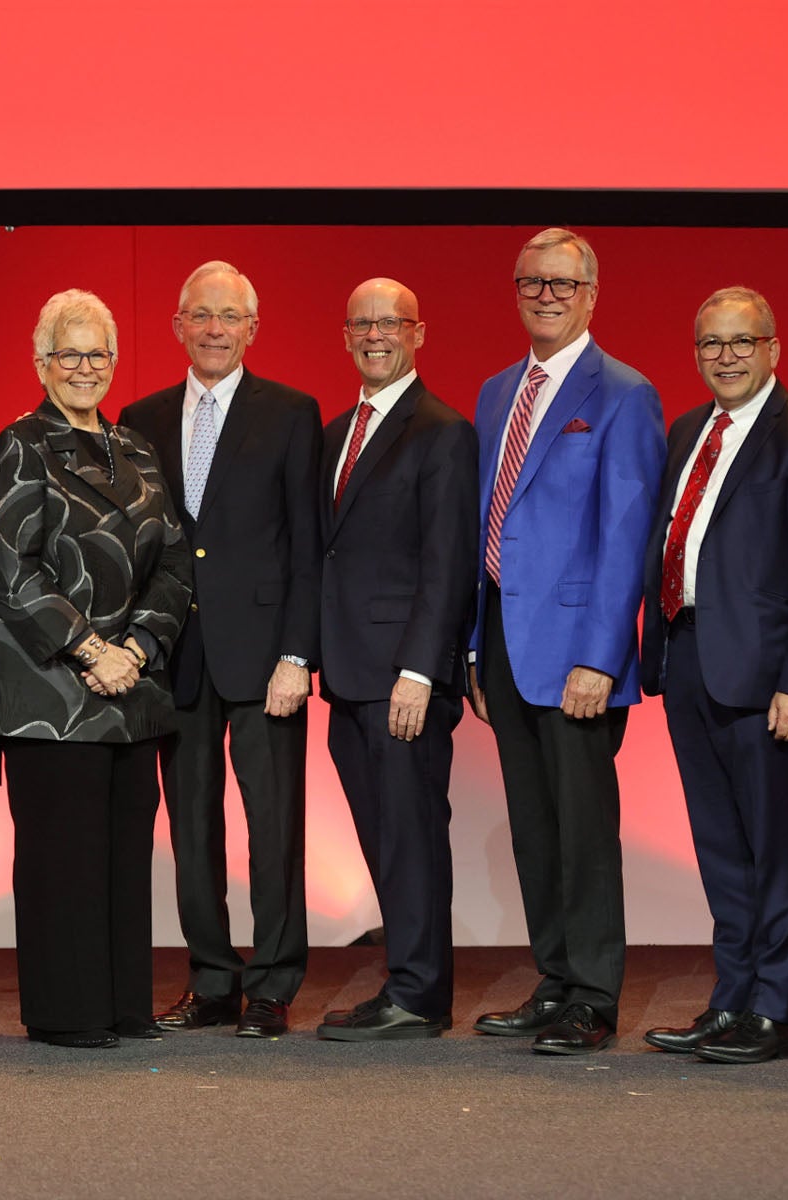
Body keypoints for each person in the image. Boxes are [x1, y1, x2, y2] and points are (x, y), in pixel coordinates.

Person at [638, 288, 788, 1065]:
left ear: (773, 349)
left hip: (765, 677)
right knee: (720, 846)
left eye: (741, 342)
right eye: (711, 344)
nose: (725, 357)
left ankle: (773, 1010)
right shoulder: (687, 431)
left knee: (775, 846)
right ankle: (730, 1000)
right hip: (688, 656)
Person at [0, 289, 192, 1049]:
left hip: (132, 689)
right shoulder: (21, 443)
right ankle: (68, 1012)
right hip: (48, 690)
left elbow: (174, 565)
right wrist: (89, 649)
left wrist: (135, 650)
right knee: (63, 855)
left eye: (98, 354)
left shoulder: (133, 447)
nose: (86, 368)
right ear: (42, 363)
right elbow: (6, 564)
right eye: (70, 354)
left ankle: (125, 1002)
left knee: (126, 850)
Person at [465, 228, 664, 1055]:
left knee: (584, 830)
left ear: (590, 294)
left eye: (561, 284)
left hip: (579, 648)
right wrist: (475, 647)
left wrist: (601, 655)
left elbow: (627, 535)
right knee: (533, 825)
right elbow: (485, 519)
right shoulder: (494, 390)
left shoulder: (623, 391)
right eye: (531, 282)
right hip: (505, 642)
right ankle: (554, 977)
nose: (545, 296)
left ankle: (592, 993)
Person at [118, 261, 321, 1039]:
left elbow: (309, 545)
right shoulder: (142, 414)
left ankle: (271, 985)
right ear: (177, 325)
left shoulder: (291, 413)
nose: (212, 329)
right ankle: (212, 980)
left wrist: (298, 655)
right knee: (191, 827)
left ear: (251, 329)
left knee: (274, 827)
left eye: (228, 317)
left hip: (267, 656)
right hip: (177, 656)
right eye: (199, 315)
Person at [314, 279, 479, 1041]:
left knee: (411, 837)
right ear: (346, 334)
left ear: (418, 332)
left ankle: (418, 995)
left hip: (401, 680)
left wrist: (420, 671)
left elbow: (449, 562)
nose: (374, 335)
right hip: (347, 677)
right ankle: (405, 980)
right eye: (361, 324)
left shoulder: (441, 430)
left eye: (390, 323)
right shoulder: (338, 429)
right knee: (384, 837)